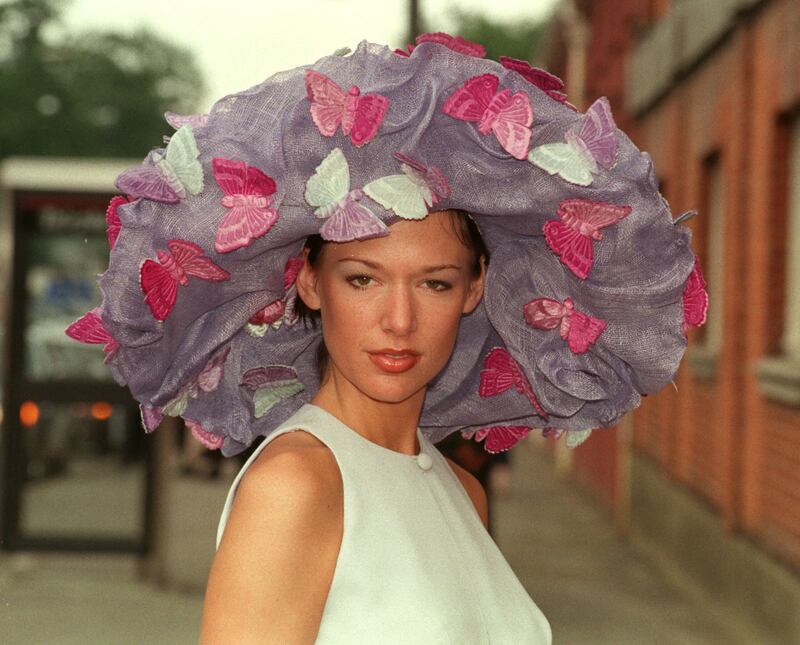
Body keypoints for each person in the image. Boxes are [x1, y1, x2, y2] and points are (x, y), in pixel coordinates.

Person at [66, 33, 707, 644]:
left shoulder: (462, 491)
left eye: (433, 283)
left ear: (475, 289)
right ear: (310, 283)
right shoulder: (296, 486)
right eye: (363, 279)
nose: (399, 320)